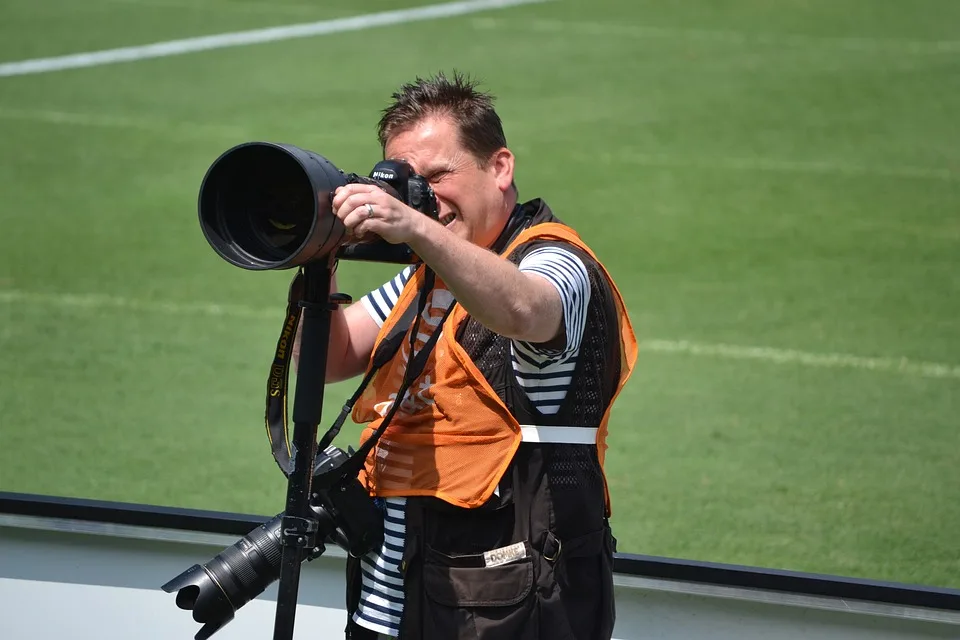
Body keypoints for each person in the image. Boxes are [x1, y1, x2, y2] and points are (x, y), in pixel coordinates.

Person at [296, 71, 637, 640]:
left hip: (512, 610)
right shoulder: (424, 277)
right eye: (411, 183)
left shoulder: (558, 261)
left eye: (439, 176)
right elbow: (334, 356)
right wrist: (321, 254)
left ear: (499, 167)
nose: (426, 198)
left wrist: (413, 228)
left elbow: (527, 311)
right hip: (393, 601)